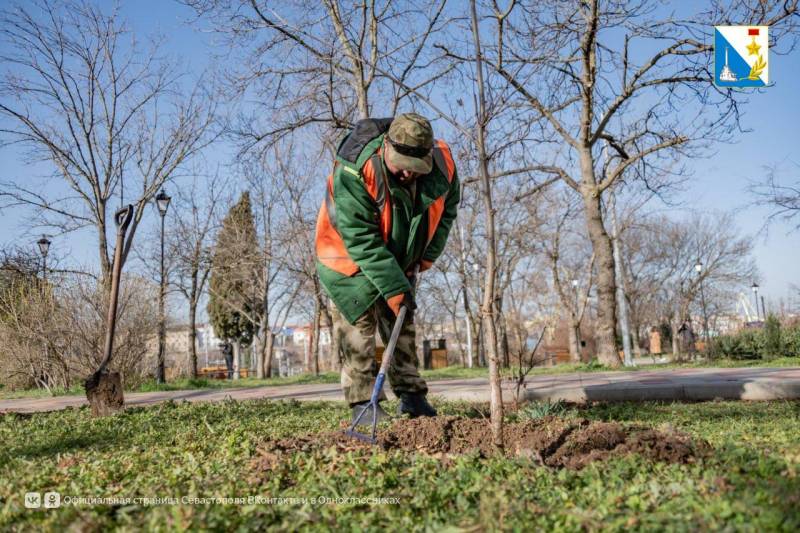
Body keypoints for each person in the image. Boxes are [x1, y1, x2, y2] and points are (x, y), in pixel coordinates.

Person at [315, 113, 459, 424]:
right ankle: (363, 404)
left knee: (401, 322)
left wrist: (426, 255)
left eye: (415, 167)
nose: (408, 173)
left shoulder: (444, 165)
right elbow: (361, 240)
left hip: (398, 252)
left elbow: (447, 211)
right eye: (401, 164)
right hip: (346, 257)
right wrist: (394, 287)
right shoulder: (354, 171)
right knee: (359, 329)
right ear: (385, 149)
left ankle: (412, 396)